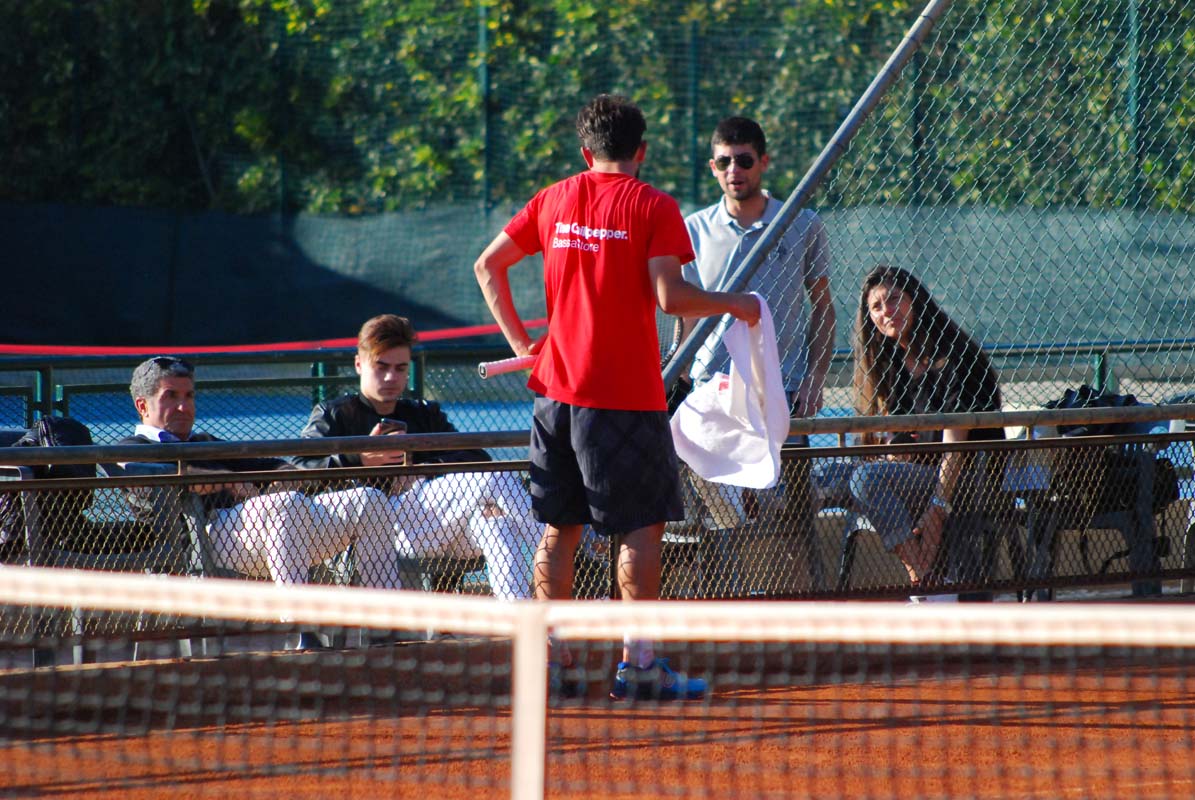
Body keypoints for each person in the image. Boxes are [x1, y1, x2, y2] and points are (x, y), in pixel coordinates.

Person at [473, 93, 760, 700]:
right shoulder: (654, 205)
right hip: (625, 397)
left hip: (555, 397)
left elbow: (487, 267)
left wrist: (525, 344)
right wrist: (735, 304)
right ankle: (639, 666)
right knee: (640, 531)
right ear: (642, 151)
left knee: (559, 530)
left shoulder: (553, 199)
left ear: (586, 152)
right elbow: (671, 298)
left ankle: (550, 663)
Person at [679, 116, 836, 590]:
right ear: (712, 167)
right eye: (724, 161)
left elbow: (823, 307)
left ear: (763, 162)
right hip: (713, 390)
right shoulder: (693, 230)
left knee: (793, 516)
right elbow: (686, 314)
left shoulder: (802, 223)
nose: (734, 170)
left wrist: (814, 379)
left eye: (744, 160)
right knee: (718, 516)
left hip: (781, 390)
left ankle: (802, 605)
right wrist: (680, 375)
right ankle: (730, 604)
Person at [293, 313, 539, 601]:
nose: (391, 377)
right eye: (381, 367)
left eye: (400, 368)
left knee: (497, 526)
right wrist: (358, 459)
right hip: (377, 530)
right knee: (494, 478)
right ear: (359, 364)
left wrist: (421, 469)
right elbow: (298, 470)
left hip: (440, 524)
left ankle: (520, 616)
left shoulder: (422, 413)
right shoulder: (334, 413)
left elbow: (475, 455)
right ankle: (560, 552)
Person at [118, 356, 402, 598]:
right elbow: (164, 480)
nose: (184, 406)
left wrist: (276, 482)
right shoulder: (130, 448)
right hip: (200, 538)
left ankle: (387, 619)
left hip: (271, 529)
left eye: (189, 396)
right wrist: (232, 482)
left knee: (369, 500)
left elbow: (278, 466)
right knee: (284, 505)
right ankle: (300, 624)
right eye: (171, 396)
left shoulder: (203, 441)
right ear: (142, 406)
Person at [849, 264, 1004, 591]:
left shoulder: (954, 354)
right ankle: (928, 576)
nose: (886, 312)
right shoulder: (892, 362)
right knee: (835, 476)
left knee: (865, 480)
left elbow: (954, 446)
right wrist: (893, 456)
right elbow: (904, 441)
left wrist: (938, 507)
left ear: (915, 300)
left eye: (894, 299)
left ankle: (921, 579)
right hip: (924, 473)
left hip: (966, 477)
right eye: (876, 307)